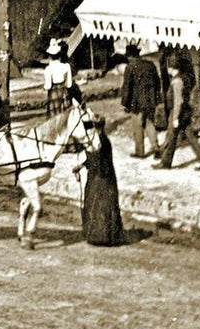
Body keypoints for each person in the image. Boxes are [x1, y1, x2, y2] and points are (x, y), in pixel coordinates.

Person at [156, 54, 200, 171]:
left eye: (169, 67)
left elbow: (178, 101)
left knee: (171, 137)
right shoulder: (182, 78)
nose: (167, 69)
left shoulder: (177, 81)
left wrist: (176, 118)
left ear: (172, 68)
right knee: (190, 137)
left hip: (177, 112)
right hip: (183, 112)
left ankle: (165, 163)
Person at [75, 116, 127, 246]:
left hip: (102, 178)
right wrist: (81, 166)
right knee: (98, 205)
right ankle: (100, 235)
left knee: (100, 205)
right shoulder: (100, 140)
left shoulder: (102, 142)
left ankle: (101, 236)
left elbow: (98, 161)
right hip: (100, 177)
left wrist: (85, 165)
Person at [118, 44, 162, 158]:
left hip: (136, 103)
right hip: (150, 101)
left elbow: (127, 87)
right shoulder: (150, 65)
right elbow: (157, 82)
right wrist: (156, 99)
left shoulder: (130, 67)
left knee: (138, 126)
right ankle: (156, 147)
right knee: (150, 124)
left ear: (129, 56)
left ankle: (140, 151)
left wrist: (125, 104)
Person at [42, 39, 76, 117]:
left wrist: (44, 87)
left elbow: (48, 86)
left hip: (54, 94)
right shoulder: (66, 66)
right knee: (66, 116)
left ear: (50, 56)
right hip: (64, 93)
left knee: (54, 117)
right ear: (59, 55)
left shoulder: (48, 69)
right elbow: (69, 84)